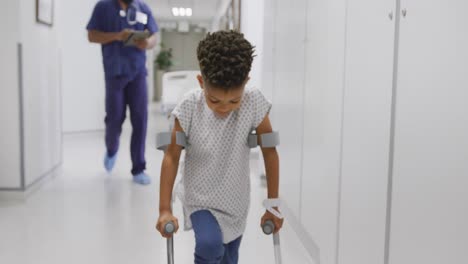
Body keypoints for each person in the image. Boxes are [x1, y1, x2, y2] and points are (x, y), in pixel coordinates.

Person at [155, 30, 284, 263]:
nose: (224, 108)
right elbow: (172, 157)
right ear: (201, 82)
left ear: (246, 82)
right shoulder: (189, 106)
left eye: (234, 100)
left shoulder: (254, 102)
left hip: (236, 200)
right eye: (214, 100)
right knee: (210, 245)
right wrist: (165, 209)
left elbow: (270, 151)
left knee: (229, 257)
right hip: (200, 198)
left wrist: (273, 204)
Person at [86, 0, 158, 185]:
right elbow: (92, 35)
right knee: (114, 119)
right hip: (115, 73)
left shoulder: (143, 8)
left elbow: (154, 36)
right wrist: (118, 36)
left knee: (140, 120)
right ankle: (111, 149)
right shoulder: (103, 7)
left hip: (138, 73)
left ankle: (138, 168)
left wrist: (147, 43)